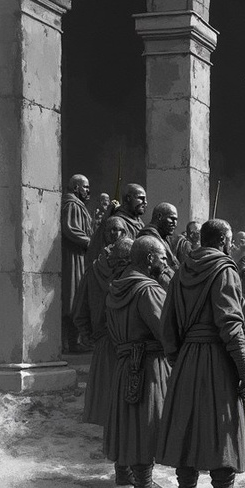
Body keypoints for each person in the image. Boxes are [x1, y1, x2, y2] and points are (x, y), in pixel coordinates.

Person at [154, 218, 245, 488]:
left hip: (187, 358)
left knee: (187, 425)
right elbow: (231, 324)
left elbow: (167, 322)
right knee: (222, 426)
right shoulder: (225, 270)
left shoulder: (181, 270)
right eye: (229, 241)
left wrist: (176, 356)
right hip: (217, 357)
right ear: (223, 241)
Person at [103, 235, 174, 488]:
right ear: (149, 259)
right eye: (162, 258)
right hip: (148, 365)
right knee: (147, 420)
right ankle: (143, 483)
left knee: (127, 418)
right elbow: (165, 330)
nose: (165, 263)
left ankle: (123, 472)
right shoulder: (148, 290)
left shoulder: (117, 288)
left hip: (124, 363)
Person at [75, 230, 133, 436]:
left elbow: (79, 310)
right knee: (128, 400)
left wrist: (90, 336)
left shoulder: (93, 270)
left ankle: (111, 444)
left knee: (107, 399)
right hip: (127, 345)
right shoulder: (131, 273)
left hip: (102, 343)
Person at [62, 174, 94, 353]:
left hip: (80, 255)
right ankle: (71, 343)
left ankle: (75, 341)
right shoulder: (72, 204)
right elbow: (70, 229)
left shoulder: (77, 205)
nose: (88, 191)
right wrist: (89, 242)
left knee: (77, 298)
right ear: (76, 188)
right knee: (73, 298)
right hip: (74, 257)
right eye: (85, 187)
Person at [86, 183, 147, 259]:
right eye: (141, 198)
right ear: (128, 198)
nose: (145, 202)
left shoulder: (139, 222)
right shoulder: (116, 222)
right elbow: (119, 257)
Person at [137, 202, 183, 289]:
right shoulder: (148, 237)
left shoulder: (163, 237)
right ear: (159, 217)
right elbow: (161, 269)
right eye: (172, 219)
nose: (175, 223)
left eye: (176, 220)